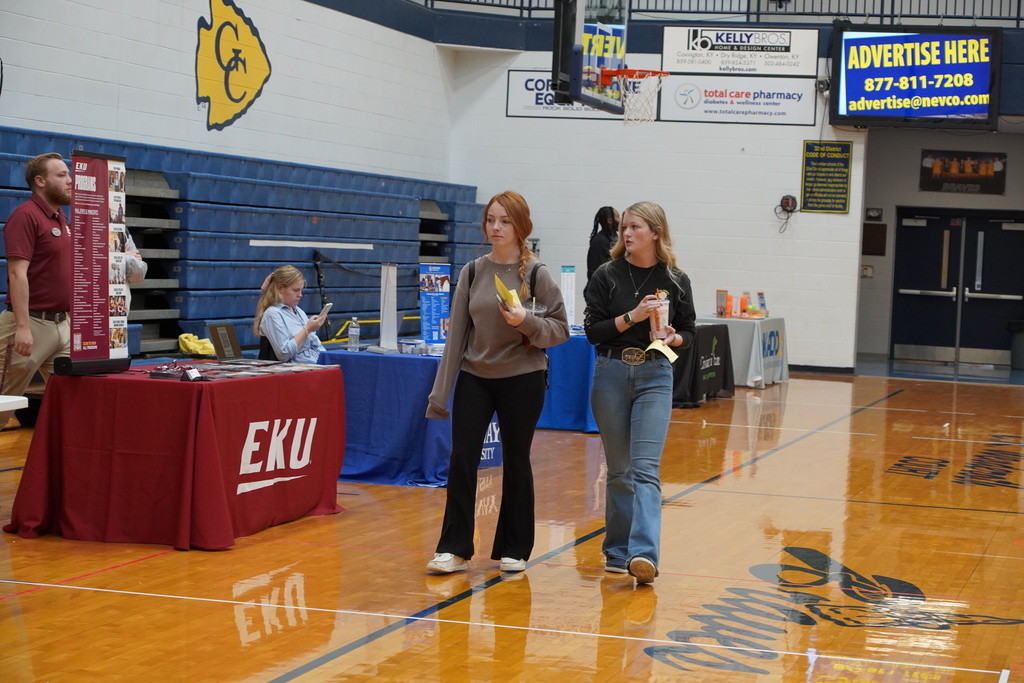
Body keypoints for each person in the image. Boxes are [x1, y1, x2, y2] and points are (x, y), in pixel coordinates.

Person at [425, 191, 569, 574]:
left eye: (504, 221)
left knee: (516, 461)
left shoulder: (537, 274)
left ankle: (514, 548)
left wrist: (526, 321)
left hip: (523, 379)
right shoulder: (472, 271)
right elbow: (456, 336)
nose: (496, 227)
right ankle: (453, 547)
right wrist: (440, 394)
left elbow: (559, 330)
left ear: (521, 226)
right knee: (462, 459)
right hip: (476, 376)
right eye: (491, 219)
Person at [583, 201, 695, 585]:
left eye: (635, 227)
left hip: (655, 372)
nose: (627, 234)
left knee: (646, 469)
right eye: (625, 228)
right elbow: (593, 331)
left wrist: (673, 336)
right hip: (611, 372)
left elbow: (690, 333)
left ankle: (644, 554)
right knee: (619, 471)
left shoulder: (676, 279)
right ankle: (617, 551)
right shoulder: (606, 275)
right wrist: (633, 316)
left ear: (655, 233)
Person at [0, 153, 74, 429]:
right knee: (2, 405)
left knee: (75, 398)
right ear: (40, 181)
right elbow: (17, 274)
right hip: (28, 324)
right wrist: (21, 327)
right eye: (62, 175)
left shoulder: (61, 219)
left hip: (61, 326)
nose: (70, 181)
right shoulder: (25, 217)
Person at [253, 265, 326, 363]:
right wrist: (307, 329)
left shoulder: (298, 311)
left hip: (315, 363)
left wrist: (327, 359)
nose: (300, 295)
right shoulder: (273, 314)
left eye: (301, 290)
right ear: (280, 288)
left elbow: (316, 344)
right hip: (297, 369)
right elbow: (284, 354)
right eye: (296, 290)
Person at [586, 206, 619, 291]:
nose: (621, 220)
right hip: (600, 292)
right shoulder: (600, 241)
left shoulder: (613, 238)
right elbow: (596, 271)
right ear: (610, 220)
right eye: (618, 216)